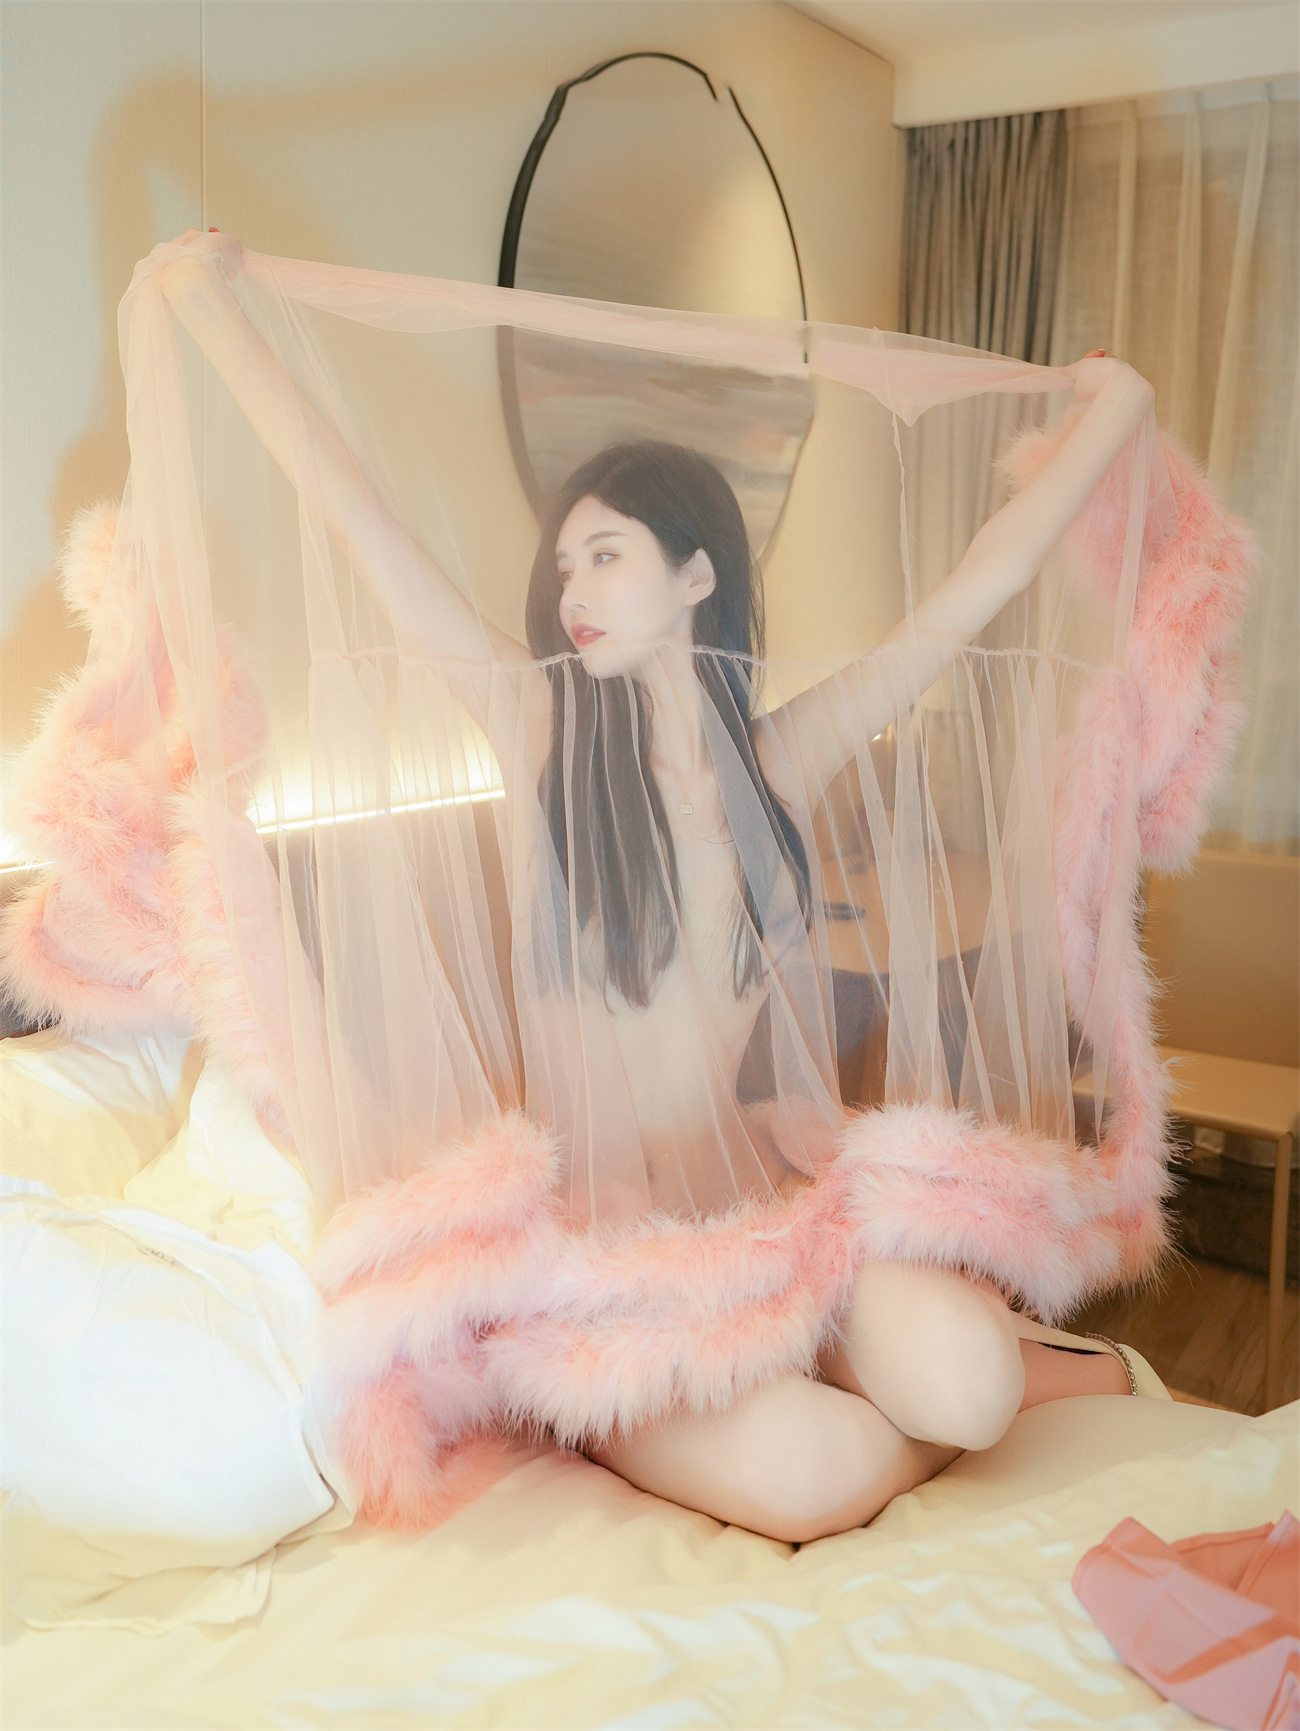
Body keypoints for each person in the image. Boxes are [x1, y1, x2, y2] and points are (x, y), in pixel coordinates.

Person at [158, 229, 1150, 1543]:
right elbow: (362, 521)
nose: (570, 588)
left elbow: (981, 588)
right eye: (564, 564)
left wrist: (1118, 408)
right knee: (817, 1471)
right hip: (602, 1267)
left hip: (774, 1213)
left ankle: (948, 1382)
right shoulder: (539, 740)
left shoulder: (779, 761)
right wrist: (215, 312)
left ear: (696, 574)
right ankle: (794, 1414)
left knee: (970, 1386)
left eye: (606, 554)